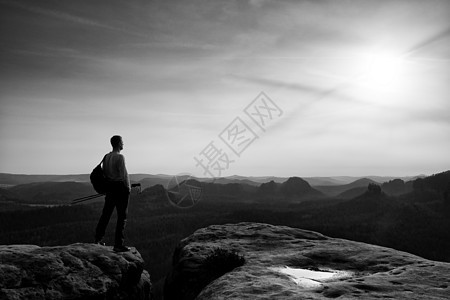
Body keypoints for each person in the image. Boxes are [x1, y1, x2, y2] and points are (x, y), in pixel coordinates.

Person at [95, 135, 131, 252]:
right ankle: (118, 244)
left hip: (110, 189)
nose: (123, 144)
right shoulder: (120, 157)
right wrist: (128, 188)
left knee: (106, 215)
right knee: (122, 217)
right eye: (122, 142)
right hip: (120, 189)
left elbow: (105, 174)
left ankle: (97, 240)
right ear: (118, 143)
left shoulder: (107, 157)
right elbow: (122, 176)